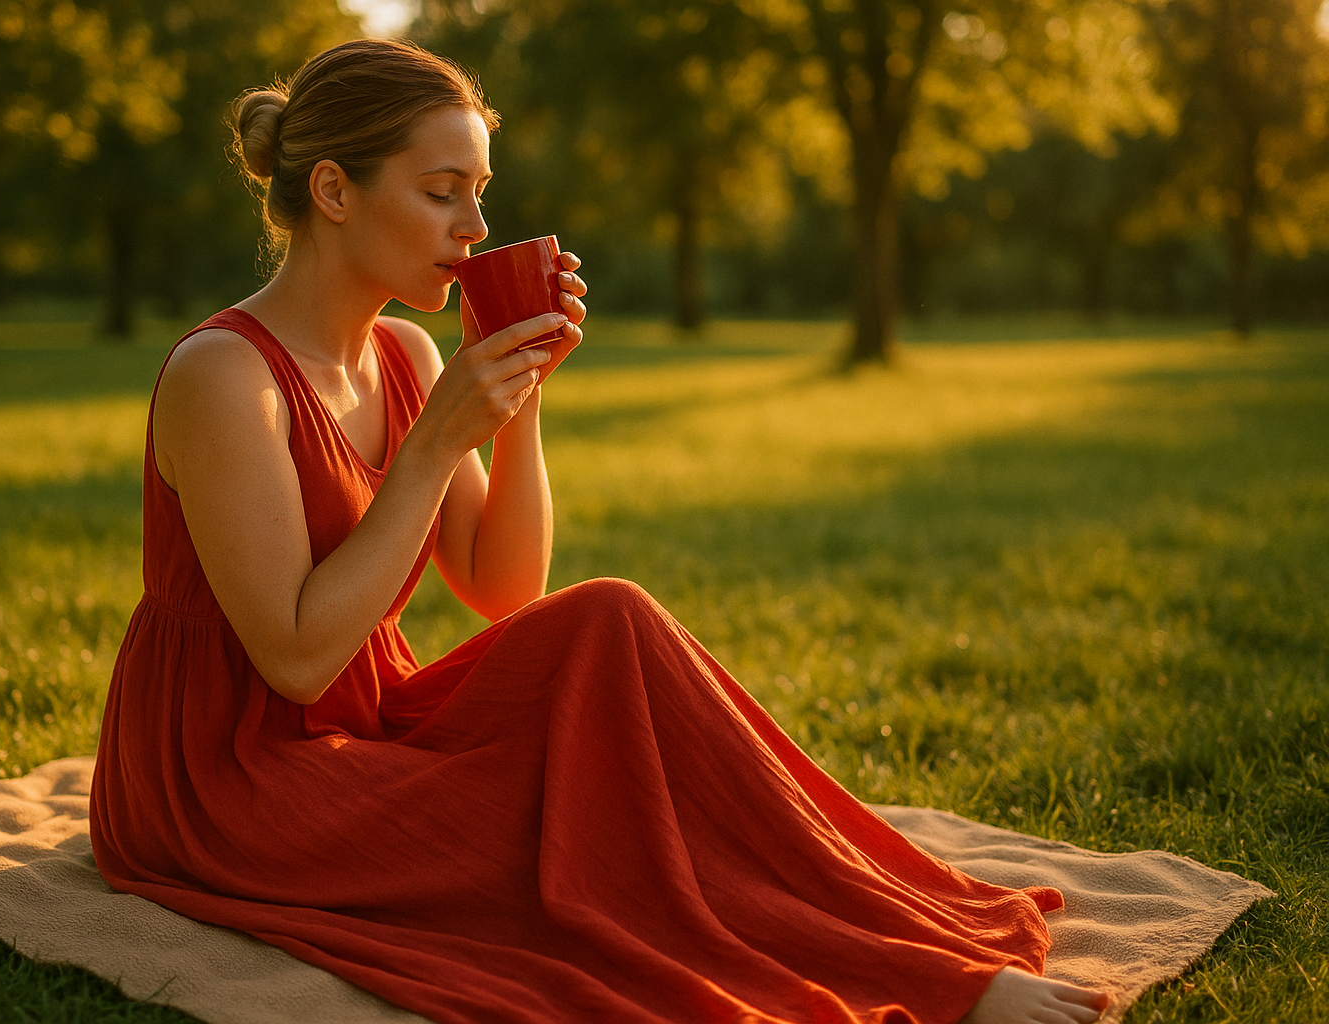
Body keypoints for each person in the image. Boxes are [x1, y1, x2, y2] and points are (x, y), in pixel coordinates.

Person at [89, 37, 1112, 1024]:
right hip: (229, 776)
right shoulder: (224, 378)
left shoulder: (405, 355)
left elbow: (505, 588)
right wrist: (436, 444)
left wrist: (516, 395)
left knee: (609, 620)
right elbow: (296, 658)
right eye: (442, 192)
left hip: (366, 720)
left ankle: (878, 920)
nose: (475, 226)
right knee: (577, 836)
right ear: (333, 191)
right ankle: (905, 978)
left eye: (479, 192)